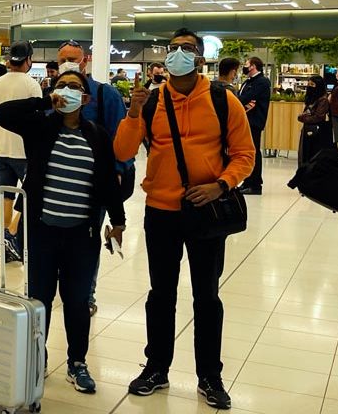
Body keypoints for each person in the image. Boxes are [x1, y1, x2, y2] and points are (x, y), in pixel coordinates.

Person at [114, 28, 255, 410]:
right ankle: (156, 368)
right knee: (161, 294)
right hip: (161, 211)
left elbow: (244, 154)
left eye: (186, 49)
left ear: (199, 59)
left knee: (206, 296)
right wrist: (131, 112)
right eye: (173, 48)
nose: (178, 53)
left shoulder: (224, 100)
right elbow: (123, 150)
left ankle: (210, 375)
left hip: (205, 212)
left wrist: (221, 185)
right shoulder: (152, 100)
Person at [0, 68, 126, 395]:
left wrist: (119, 221)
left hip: (82, 235)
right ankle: (36, 358)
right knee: (39, 298)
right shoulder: (40, 126)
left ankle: (77, 362)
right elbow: (3, 113)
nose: (67, 91)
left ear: (85, 98)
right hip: (41, 232)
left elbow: (109, 182)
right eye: (61, 86)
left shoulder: (97, 135)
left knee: (78, 300)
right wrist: (43, 99)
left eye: (74, 87)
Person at [55, 41, 130, 317]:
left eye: (72, 59)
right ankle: (61, 289)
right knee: (56, 240)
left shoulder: (104, 94)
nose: (67, 64)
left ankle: (86, 294)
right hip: (58, 184)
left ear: (84, 61)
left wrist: (119, 171)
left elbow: (121, 138)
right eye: (62, 59)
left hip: (94, 185)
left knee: (87, 242)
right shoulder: (52, 96)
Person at [0, 41, 43, 264]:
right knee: (29, 197)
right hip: (25, 154)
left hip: (3, 152)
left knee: (5, 197)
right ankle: (17, 237)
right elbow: (38, 117)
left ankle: (3, 243)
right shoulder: (31, 84)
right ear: (29, 60)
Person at [238, 56, 272, 195]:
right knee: (247, 152)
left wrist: (239, 101)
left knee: (253, 152)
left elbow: (246, 98)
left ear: (253, 66)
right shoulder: (249, 81)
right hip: (246, 120)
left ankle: (255, 184)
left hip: (254, 122)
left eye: (246, 64)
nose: (244, 67)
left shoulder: (262, 82)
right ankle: (248, 181)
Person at [297, 75, 333, 167]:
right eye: (308, 84)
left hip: (317, 133)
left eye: (312, 84)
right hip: (308, 130)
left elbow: (318, 117)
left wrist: (302, 118)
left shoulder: (323, 100)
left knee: (313, 156)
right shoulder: (311, 99)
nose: (310, 87)